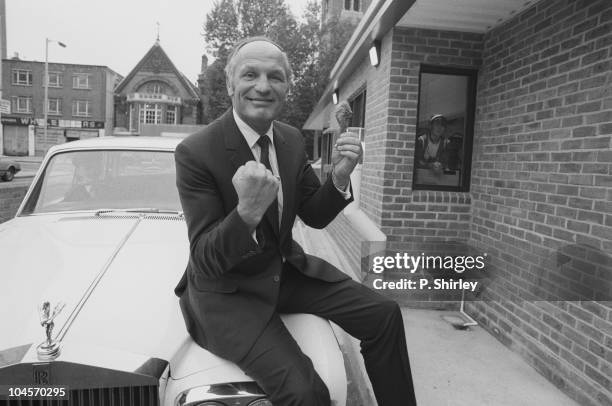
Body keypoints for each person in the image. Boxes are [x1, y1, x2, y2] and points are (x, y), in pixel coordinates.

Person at [174, 36, 417, 406]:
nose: (262, 86)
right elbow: (206, 260)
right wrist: (247, 213)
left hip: (283, 271)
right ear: (230, 84)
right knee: (306, 394)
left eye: (275, 77)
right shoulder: (196, 152)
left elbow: (314, 216)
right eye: (250, 74)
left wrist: (339, 177)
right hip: (229, 292)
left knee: (384, 315)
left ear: (287, 87)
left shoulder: (290, 140)